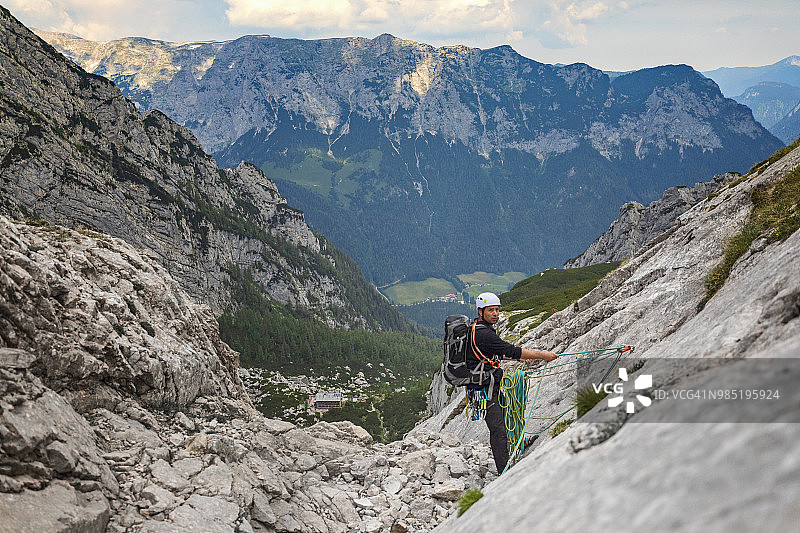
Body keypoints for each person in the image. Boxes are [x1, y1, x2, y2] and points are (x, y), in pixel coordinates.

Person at [468, 292, 558, 474]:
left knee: (507, 412)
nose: (495, 314)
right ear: (480, 311)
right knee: (498, 428)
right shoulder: (484, 333)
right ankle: (505, 470)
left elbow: (496, 351)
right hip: (482, 388)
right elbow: (511, 349)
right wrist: (542, 355)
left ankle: (517, 442)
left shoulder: (478, 328)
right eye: (491, 310)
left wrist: (517, 359)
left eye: (497, 310)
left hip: (488, 383)